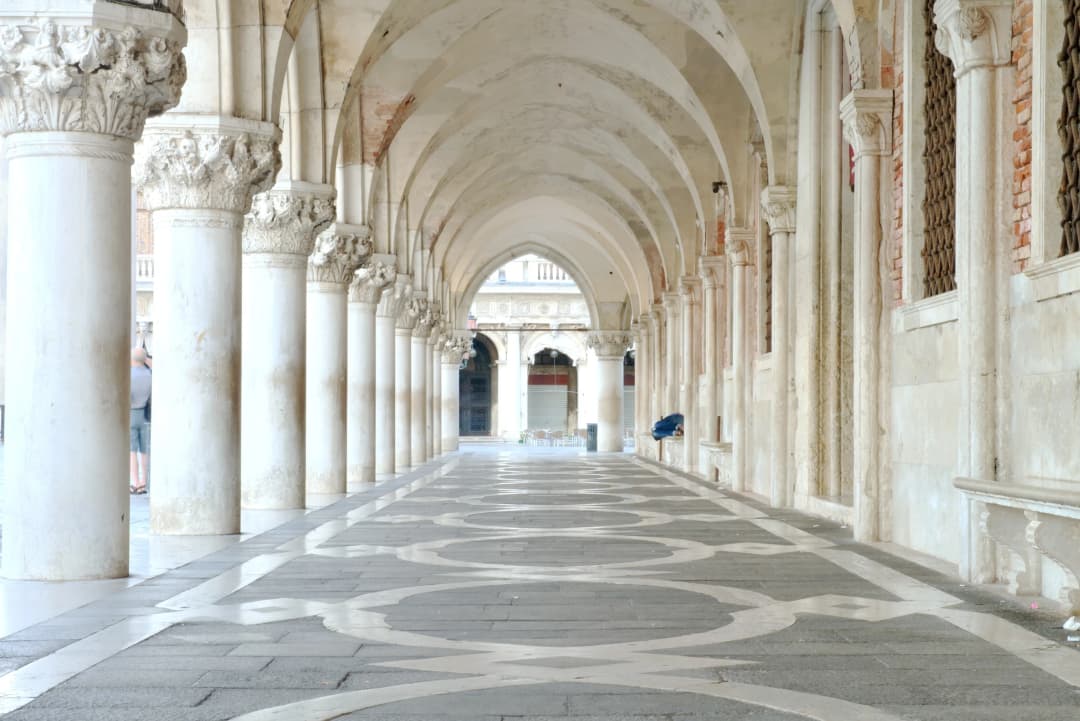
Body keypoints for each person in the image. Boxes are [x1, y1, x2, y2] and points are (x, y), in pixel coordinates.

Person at [130, 347, 152, 494]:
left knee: (132, 450)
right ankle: (144, 481)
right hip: (144, 413)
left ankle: (135, 481)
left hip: (131, 413)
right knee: (144, 450)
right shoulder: (149, 374)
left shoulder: (129, 374)